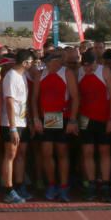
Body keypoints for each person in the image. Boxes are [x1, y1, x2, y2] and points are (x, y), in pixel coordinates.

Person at [32, 49, 80, 202]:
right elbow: (34, 99)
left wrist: (72, 120)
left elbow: (75, 97)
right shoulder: (41, 74)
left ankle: (64, 186)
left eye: (50, 61)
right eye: (46, 61)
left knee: (62, 153)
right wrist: (36, 119)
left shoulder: (67, 73)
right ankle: (52, 184)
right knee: (47, 153)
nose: (48, 64)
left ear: (57, 60)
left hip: (63, 117)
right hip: (45, 118)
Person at [77, 50, 111, 200]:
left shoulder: (104, 71)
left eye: (91, 66)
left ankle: (105, 184)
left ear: (96, 63)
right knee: (87, 151)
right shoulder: (80, 72)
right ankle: (92, 184)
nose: (88, 70)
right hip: (86, 118)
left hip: (103, 117)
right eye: (85, 66)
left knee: (104, 151)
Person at [0, 49, 33, 203]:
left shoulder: (23, 75)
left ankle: (19, 186)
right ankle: (8, 189)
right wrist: (13, 128)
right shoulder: (11, 76)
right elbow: (9, 102)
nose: (33, 65)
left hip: (22, 121)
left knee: (21, 154)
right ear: (25, 62)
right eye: (31, 62)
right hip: (11, 123)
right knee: (10, 155)